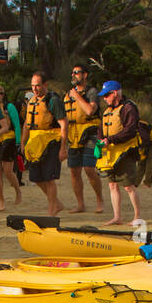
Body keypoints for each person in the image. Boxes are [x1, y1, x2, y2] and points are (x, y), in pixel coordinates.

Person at [95, 80, 148, 226]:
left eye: (106, 95)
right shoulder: (106, 111)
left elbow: (130, 131)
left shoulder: (128, 108)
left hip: (126, 153)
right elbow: (100, 129)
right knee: (112, 185)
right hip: (110, 154)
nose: (104, 99)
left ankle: (137, 216)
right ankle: (117, 217)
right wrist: (100, 141)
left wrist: (110, 139)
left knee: (129, 186)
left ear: (114, 93)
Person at [21, 72, 68, 215]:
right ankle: (57, 204)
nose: (34, 89)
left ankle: (52, 209)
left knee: (49, 178)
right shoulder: (31, 102)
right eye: (33, 86)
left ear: (45, 84)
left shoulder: (53, 101)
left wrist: (63, 148)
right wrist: (23, 143)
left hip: (51, 142)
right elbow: (26, 125)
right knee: (36, 178)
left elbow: (64, 124)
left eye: (38, 85)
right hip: (35, 143)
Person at [64, 65, 103, 213]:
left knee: (89, 169)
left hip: (90, 132)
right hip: (73, 135)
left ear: (85, 75)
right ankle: (80, 204)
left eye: (77, 73)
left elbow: (89, 110)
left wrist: (77, 96)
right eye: (72, 72)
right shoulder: (68, 94)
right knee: (74, 171)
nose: (73, 75)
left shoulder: (92, 92)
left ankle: (99, 199)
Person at [0, 85, 22, 204]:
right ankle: (0, 198)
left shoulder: (9, 107)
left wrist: (18, 142)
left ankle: (18, 192)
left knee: (8, 171)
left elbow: (17, 125)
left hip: (9, 140)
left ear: (2, 95)